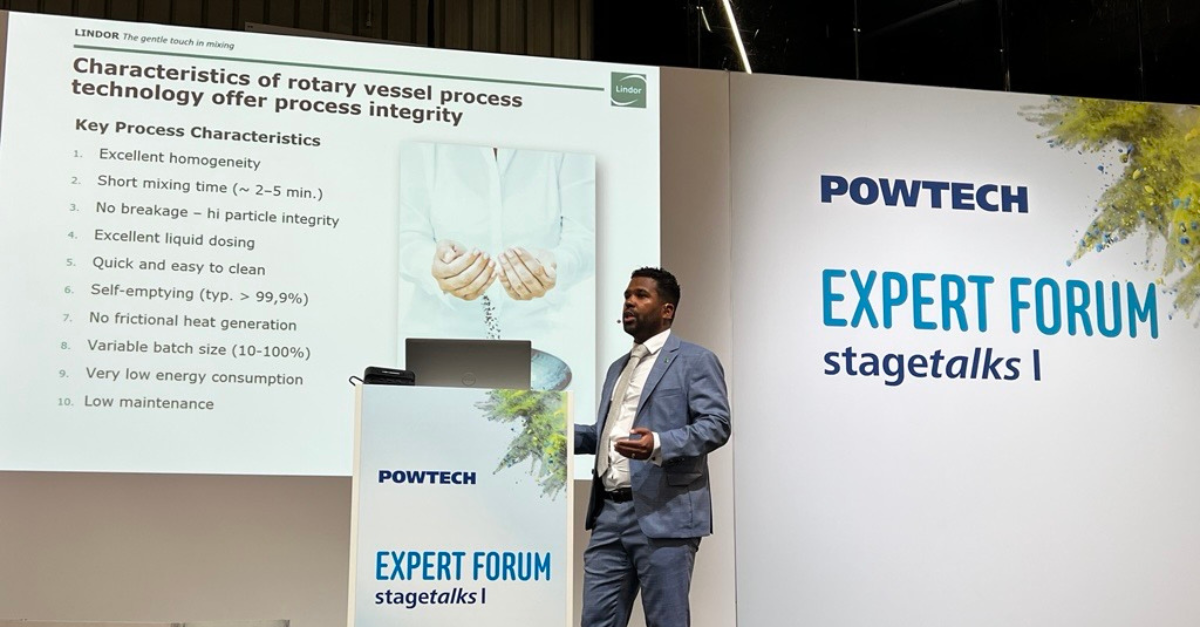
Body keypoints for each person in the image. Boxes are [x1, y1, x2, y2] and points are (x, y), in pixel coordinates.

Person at [575, 267, 731, 627]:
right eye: (627, 295)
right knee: (596, 621)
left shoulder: (695, 360)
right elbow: (606, 435)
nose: (629, 302)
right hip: (608, 515)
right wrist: (558, 431)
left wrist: (658, 443)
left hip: (665, 514)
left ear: (667, 310)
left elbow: (716, 425)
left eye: (641, 295)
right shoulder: (618, 368)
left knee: (666, 622)